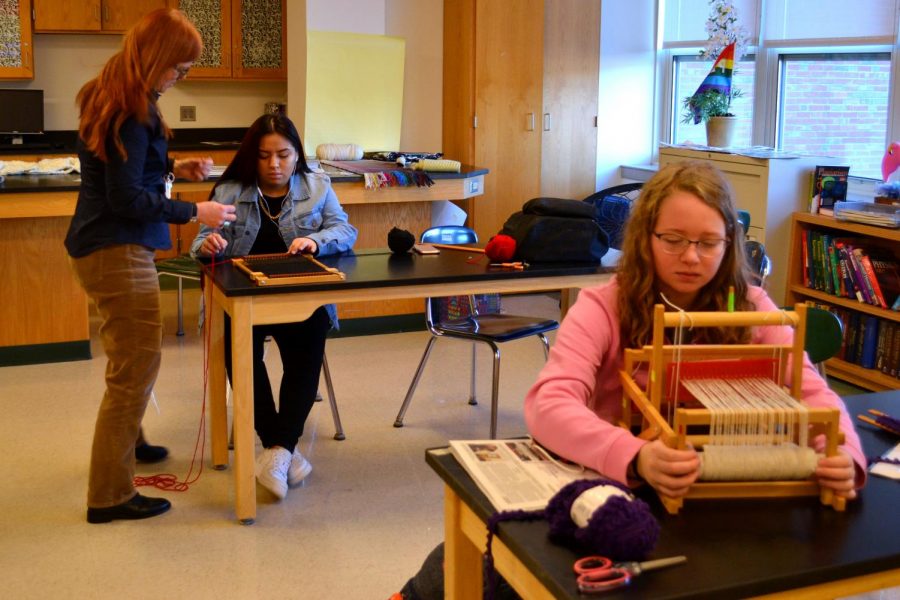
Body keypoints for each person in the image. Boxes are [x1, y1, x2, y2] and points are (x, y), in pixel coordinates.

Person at [524, 160, 866, 501]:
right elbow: (549, 405)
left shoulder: (752, 307)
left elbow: (813, 394)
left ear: (729, 242)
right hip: (625, 489)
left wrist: (843, 453)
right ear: (646, 237)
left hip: (726, 492)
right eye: (673, 240)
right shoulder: (602, 307)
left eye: (708, 243)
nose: (691, 256)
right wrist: (635, 455)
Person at [65, 9, 237, 524]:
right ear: (158, 58)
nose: (177, 78)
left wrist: (173, 167)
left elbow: (124, 169)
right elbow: (127, 199)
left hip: (100, 247)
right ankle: (110, 496)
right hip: (117, 249)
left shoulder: (112, 92)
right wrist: (195, 210)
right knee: (135, 369)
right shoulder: (132, 107)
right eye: (178, 69)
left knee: (129, 361)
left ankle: (130, 445)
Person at [191, 113, 358, 500]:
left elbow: (345, 229)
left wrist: (316, 242)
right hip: (244, 299)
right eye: (264, 157)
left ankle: (278, 452)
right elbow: (199, 243)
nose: (274, 165)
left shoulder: (317, 186)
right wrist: (209, 245)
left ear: (297, 154)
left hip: (298, 295)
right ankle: (282, 449)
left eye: (283, 155)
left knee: (306, 351)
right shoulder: (231, 190)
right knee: (241, 354)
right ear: (253, 157)